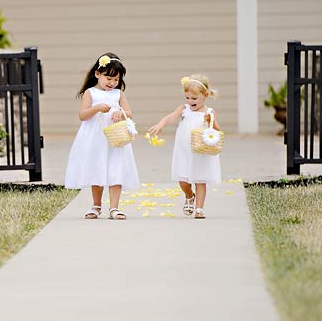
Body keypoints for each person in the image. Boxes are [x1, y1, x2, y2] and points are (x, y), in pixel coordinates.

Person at [64, 53, 140, 220]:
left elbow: (129, 112)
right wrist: (96, 108)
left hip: (115, 138)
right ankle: (96, 206)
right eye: (108, 78)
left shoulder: (118, 94)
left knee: (116, 169)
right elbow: (83, 115)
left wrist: (121, 112)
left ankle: (114, 208)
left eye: (116, 79)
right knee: (96, 168)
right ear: (97, 74)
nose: (112, 83)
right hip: (95, 137)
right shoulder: (90, 93)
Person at [148, 75, 222, 219]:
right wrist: (161, 124)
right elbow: (170, 117)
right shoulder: (184, 109)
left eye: (194, 99)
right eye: (187, 98)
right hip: (184, 151)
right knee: (183, 180)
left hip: (201, 152)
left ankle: (199, 208)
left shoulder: (209, 112)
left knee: (200, 180)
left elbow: (218, 131)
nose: (190, 101)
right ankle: (189, 195)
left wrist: (210, 122)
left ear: (205, 95)